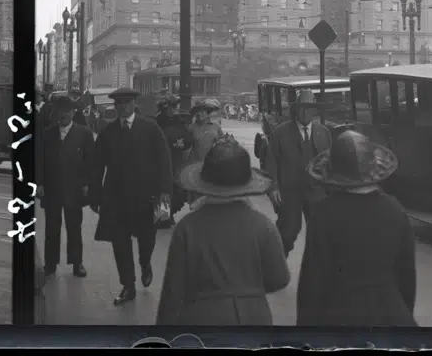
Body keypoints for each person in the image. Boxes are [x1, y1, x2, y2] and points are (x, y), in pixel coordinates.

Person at [157, 142, 290, 325]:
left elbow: (173, 291)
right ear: (247, 184)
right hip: (254, 316)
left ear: (204, 182)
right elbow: (279, 279)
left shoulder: (187, 227)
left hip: (201, 318)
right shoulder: (263, 226)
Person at [297, 130, 417, 327]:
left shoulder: (324, 213)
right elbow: (406, 274)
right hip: (390, 311)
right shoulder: (395, 210)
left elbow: (313, 279)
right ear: (374, 169)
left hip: (338, 314)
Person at [87, 87, 173, 306]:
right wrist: (95, 195)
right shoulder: (108, 132)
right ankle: (128, 285)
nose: (122, 107)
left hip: (146, 197)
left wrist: (165, 192)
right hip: (116, 199)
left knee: (147, 238)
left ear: (134, 104)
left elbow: (164, 161)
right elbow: (96, 166)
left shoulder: (150, 128)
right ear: (115, 106)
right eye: (118, 103)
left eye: (126, 103)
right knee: (120, 243)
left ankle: (145, 262)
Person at [263, 100, 332, 255]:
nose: (305, 113)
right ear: (296, 111)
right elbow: (271, 162)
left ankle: (316, 267)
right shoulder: (280, 133)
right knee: (288, 231)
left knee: (319, 234)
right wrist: (273, 187)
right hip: (289, 191)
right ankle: (276, 263)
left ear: (315, 111)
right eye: (302, 109)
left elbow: (329, 162)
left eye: (309, 109)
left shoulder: (323, 132)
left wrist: (330, 190)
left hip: (316, 191)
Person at [38, 95, 94, 279]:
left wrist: (86, 183)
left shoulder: (84, 133)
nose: (63, 115)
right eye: (60, 111)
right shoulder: (47, 134)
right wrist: (39, 183)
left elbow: (90, 161)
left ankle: (77, 263)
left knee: (74, 227)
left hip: (74, 189)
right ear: (55, 112)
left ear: (73, 112)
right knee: (51, 227)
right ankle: (50, 263)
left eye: (67, 111)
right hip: (52, 188)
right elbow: (39, 160)